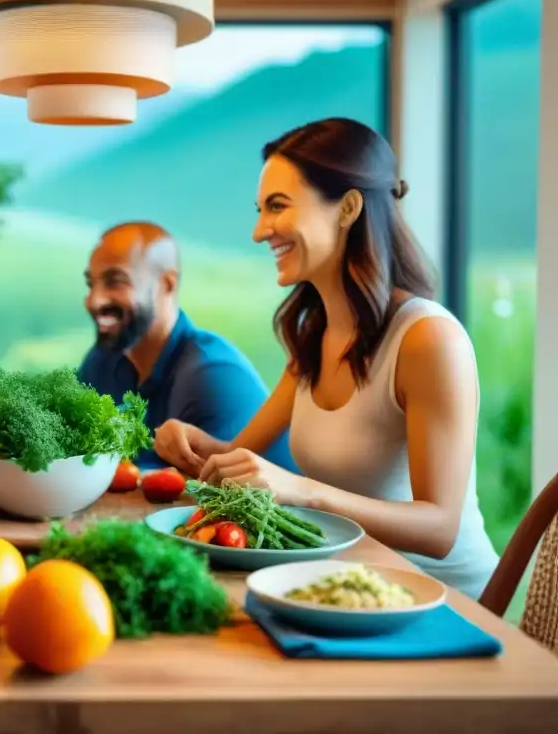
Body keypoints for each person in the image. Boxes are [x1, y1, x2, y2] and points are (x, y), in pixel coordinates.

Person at [154, 117, 499, 598]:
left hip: (440, 603)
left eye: (277, 206)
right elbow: (240, 461)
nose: (258, 232)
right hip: (344, 587)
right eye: (260, 210)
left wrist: (302, 490)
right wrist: (194, 448)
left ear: (348, 208)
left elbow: (439, 528)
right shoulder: (313, 338)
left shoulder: (428, 340)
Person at [78, 221, 296, 471]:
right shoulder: (101, 362)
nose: (94, 301)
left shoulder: (210, 375)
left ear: (167, 284)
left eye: (115, 282)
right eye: (90, 284)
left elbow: (222, 492)